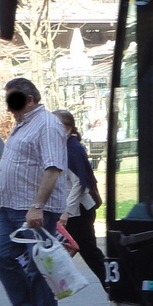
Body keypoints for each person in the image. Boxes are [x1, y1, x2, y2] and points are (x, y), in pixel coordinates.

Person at [0, 78, 71, 306]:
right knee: (1, 257)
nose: (9, 108)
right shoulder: (22, 125)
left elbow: (53, 168)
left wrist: (37, 206)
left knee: (39, 264)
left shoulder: (47, 125)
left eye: (13, 101)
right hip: (10, 206)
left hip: (34, 209)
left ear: (31, 99)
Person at [55, 110, 108, 293]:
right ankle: (39, 304)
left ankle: (118, 293)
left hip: (77, 212)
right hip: (68, 211)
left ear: (67, 128)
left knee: (90, 254)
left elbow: (79, 183)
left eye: (56, 126)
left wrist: (66, 212)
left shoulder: (72, 148)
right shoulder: (63, 147)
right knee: (52, 255)